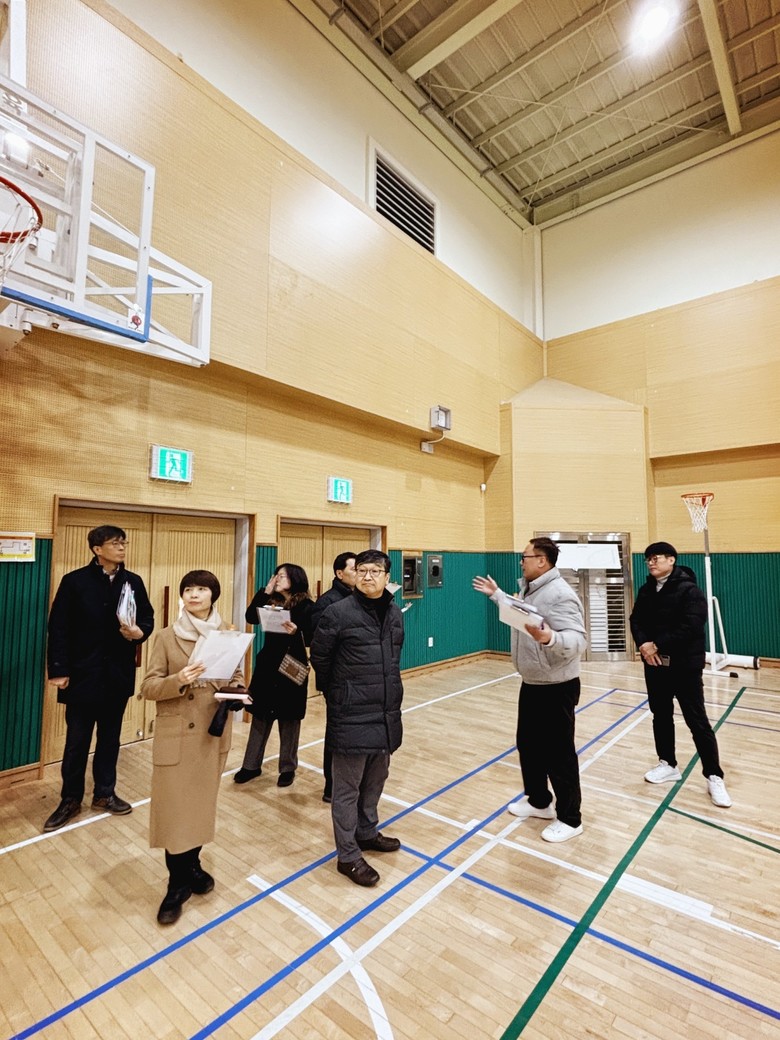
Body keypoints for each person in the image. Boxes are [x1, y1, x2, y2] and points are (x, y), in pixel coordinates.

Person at [141, 570, 246, 925]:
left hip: (211, 733)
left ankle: (194, 866)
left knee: (200, 806)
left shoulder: (227, 632)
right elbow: (149, 687)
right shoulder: (166, 637)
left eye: (201, 589)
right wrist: (179, 679)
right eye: (188, 589)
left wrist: (237, 691)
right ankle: (177, 884)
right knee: (175, 810)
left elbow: (235, 675)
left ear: (213, 595)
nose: (194, 594)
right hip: (177, 734)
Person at [473, 537, 587, 843]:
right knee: (529, 745)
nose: (521, 562)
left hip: (557, 686)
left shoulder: (560, 594)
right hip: (533, 682)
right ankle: (539, 801)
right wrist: (497, 595)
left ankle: (571, 818)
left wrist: (551, 638)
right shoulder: (532, 588)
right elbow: (522, 613)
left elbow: (578, 640)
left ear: (542, 561)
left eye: (525, 557)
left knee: (559, 754)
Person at [44, 524, 154, 832]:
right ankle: (70, 799)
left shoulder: (133, 581)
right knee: (76, 741)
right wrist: (59, 669)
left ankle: (105, 793)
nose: (121, 548)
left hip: (116, 674)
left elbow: (147, 617)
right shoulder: (74, 581)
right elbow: (58, 627)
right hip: (82, 674)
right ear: (97, 549)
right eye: (115, 543)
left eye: (123, 543)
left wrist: (139, 632)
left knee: (110, 739)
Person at [310, 549, 404, 887]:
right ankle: (348, 854)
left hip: (385, 711)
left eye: (375, 571)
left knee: (376, 779)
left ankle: (367, 832)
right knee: (347, 788)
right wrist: (339, 693)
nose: (368, 576)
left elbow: (393, 658)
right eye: (362, 570)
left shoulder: (394, 613)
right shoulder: (337, 613)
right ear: (353, 575)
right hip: (350, 712)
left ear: (387, 577)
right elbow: (320, 658)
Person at [629, 541, 732, 807]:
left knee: (697, 721)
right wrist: (643, 645)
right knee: (661, 716)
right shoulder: (646, 590)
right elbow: (636, 620)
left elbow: (691, 626)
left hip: (685, 667)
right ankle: (668, 764)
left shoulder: (690, 590)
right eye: (648, 559)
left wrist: (657, 644)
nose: (651, 562)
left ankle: (714, 776)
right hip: (655, 665)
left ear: (672, 560)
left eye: (656, 558)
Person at [234, 563, 313, 788]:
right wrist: (265, 591)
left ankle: (287, 768)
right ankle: (251, 765)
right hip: (268, 665)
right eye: (276, 575)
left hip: (292, 665)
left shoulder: (307, 606)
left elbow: (312, 636)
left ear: (295, 579)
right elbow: (251, 617)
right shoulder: (270, 602)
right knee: (260, 715)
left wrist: (297, 631)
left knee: (289, 719)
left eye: (282, 576)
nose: (277, 579)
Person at [310, 551, 357, 803]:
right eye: (355, 570)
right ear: (340, 574)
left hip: (357, 680)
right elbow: (319, 648)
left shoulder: (360, 599)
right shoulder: (327, 603)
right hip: (338, 682)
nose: (361, 575)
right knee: (336, 732)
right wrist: (331, 680)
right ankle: (331, 786)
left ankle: (350, 783)